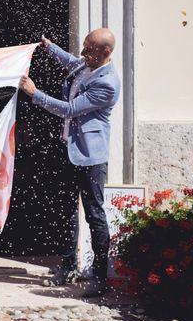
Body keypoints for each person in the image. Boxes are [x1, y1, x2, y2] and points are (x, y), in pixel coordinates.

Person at [18, 28, 121, 297]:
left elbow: (69, 109)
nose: (83, 53)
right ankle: (67, 266)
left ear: (105, 53)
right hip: (69, 151)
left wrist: (34, 93)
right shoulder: (87, 63)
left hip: (90, 157)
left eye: (89, 49)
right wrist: (50, 47)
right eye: (84, 46)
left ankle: (99, 276)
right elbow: (71, 61)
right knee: (66, 211)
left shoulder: (107, 83)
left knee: (95, 215)